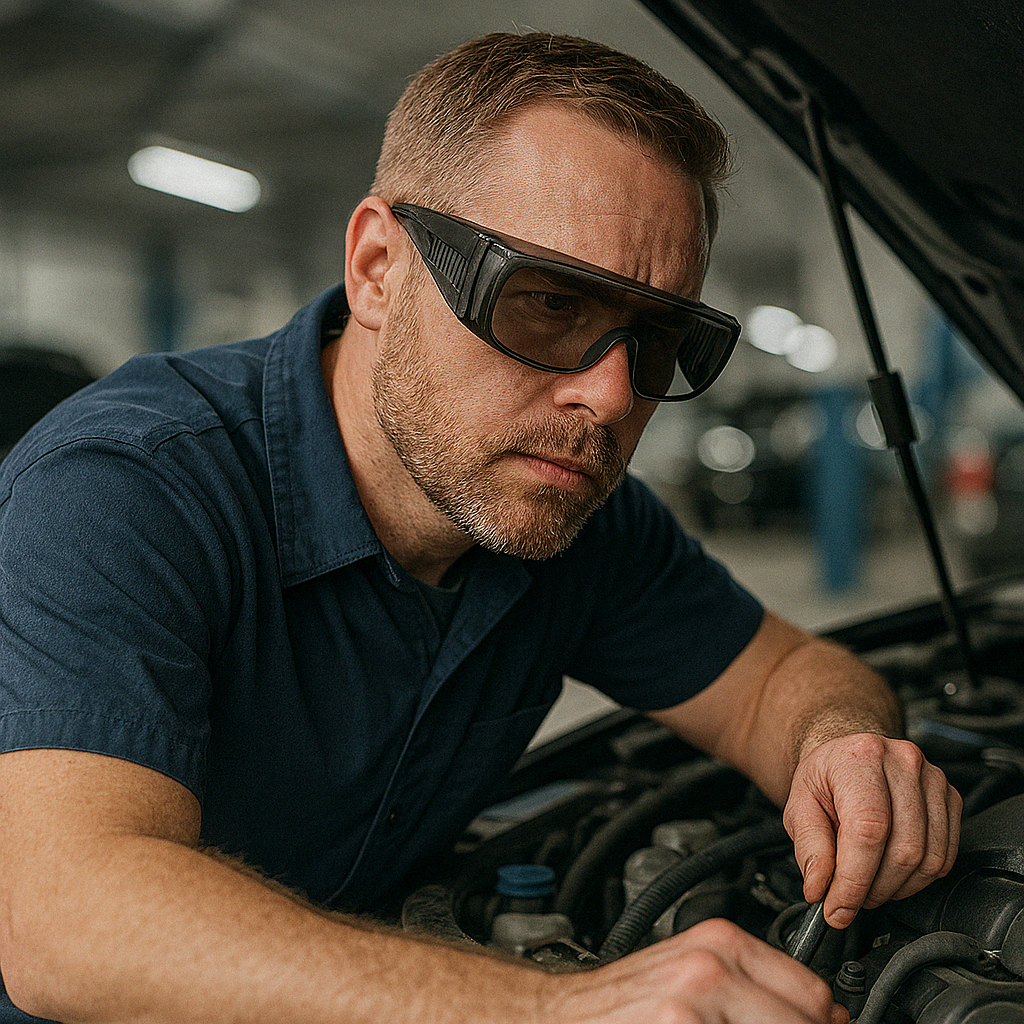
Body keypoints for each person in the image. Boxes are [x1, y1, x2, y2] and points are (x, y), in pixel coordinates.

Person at [0, 31, 960, 1024]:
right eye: (547, 302)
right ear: (378, 267)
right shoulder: (133, 488)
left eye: (658, 339)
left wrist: (840, 744)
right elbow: (67, 920)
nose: (610, 395)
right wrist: (554, 1009)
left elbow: (777, 682)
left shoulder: (577, 519)